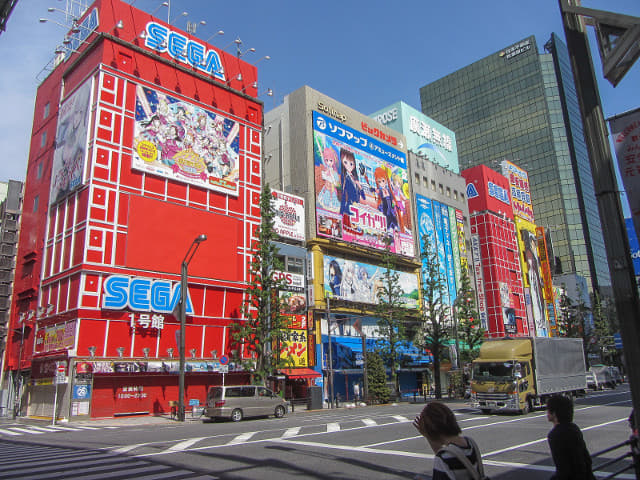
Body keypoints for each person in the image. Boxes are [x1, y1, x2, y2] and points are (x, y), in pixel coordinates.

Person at [413, 401, 487, 479]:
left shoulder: (443, 459)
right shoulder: (471, 443)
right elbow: (451, 453)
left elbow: (445, 457)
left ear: (432, 430)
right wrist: (429, 436)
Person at [546, 395, 596, 480]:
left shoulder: (555, 435)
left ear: (554, 413)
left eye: (548, 410)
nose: (546, 413)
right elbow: (587, 459)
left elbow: (563, 469)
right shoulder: (574, 428)